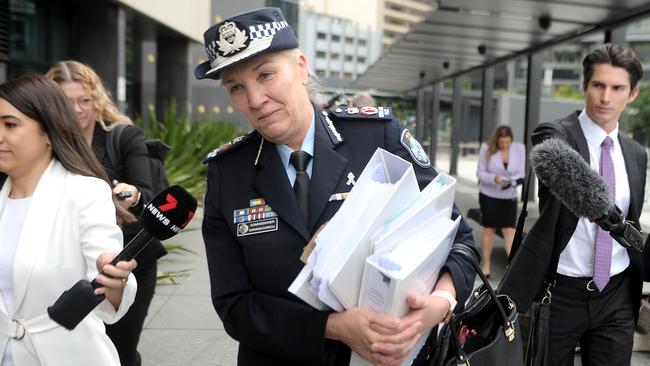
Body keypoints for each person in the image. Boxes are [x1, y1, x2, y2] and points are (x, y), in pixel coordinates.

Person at [195, 7, 477, 366]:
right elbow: (234, 305)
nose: (254, 99)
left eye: (265, 74)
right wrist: (332, 327)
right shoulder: (228, 173)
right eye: (236, 87)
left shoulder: (378, 138)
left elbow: (457, 237)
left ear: (300, 66)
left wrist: (439, 303)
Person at [501, 43, 648, 365]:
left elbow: (635, 216)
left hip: (617, 292)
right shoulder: (554, 134)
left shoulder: (637, 154)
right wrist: (613, 220)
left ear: (633, 93)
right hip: (559, 293)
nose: (605, 97)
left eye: (617, 88)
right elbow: (560, 166)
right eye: (598, 85)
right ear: (585, 86)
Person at [0, 75, 138, 365]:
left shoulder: (84, 192)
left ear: (48, 132)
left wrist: (115, 279)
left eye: (10, 124)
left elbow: (106, 293)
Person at [46, 60, 163, 366]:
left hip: (126, 260)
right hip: (66, 261)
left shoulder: (122, 136)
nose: (78, 109)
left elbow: (149, 198)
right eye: (67, 102)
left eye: (84, 100)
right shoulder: (45, 144)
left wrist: (132, 195)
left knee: (120, 351)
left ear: (96, 99)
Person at [476, 125, 525, 276]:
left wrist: (512, 180)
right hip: (489, 195)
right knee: (489, 229)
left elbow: (521, 172)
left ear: (511, 140)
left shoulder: (519, 149)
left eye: (507, 142)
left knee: (510, 231)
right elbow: (480, 172)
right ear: (496, 140)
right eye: (501, 142)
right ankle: (486, 265)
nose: (504, 145)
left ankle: (512, 268)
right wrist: (494, 178)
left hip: (509, 196)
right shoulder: (486, 148)